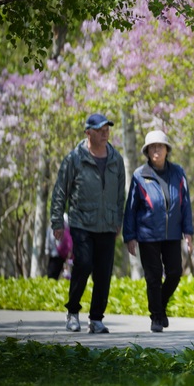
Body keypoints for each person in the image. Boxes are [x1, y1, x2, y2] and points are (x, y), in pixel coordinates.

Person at [50, 113, 126, 334]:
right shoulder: (74, 158)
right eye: (100, 129)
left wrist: (118, 220)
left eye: (107, 129)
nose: (105, 133)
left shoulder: (116, 159)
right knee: (83, 264)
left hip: (107, 224)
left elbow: (120, 193)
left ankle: (96, 319)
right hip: (81, 222)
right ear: (88, 132)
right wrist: (57, 221)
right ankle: (73, 312)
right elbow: (60, 191)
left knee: (103, 273)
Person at [123, 130, 194, 333]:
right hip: (147, 234)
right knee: (153, 277)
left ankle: (160, 307)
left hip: (172, 234)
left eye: (160, 146)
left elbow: (185, 204)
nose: (156, 150)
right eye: (152, 147)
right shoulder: (139, 175)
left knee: (175, 273)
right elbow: (131, 208)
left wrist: (188, 231)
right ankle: (156, 317)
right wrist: (130, 236)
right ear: (147, 151)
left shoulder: (178, 173)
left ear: (166, 150)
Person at [45, 214, 72, 279]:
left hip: (55, 254)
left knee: (52, 276)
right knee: (56, 275)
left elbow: (49, 240)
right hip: (62, 255)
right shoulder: (66, 227)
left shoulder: (53, 227)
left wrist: (47, 251)